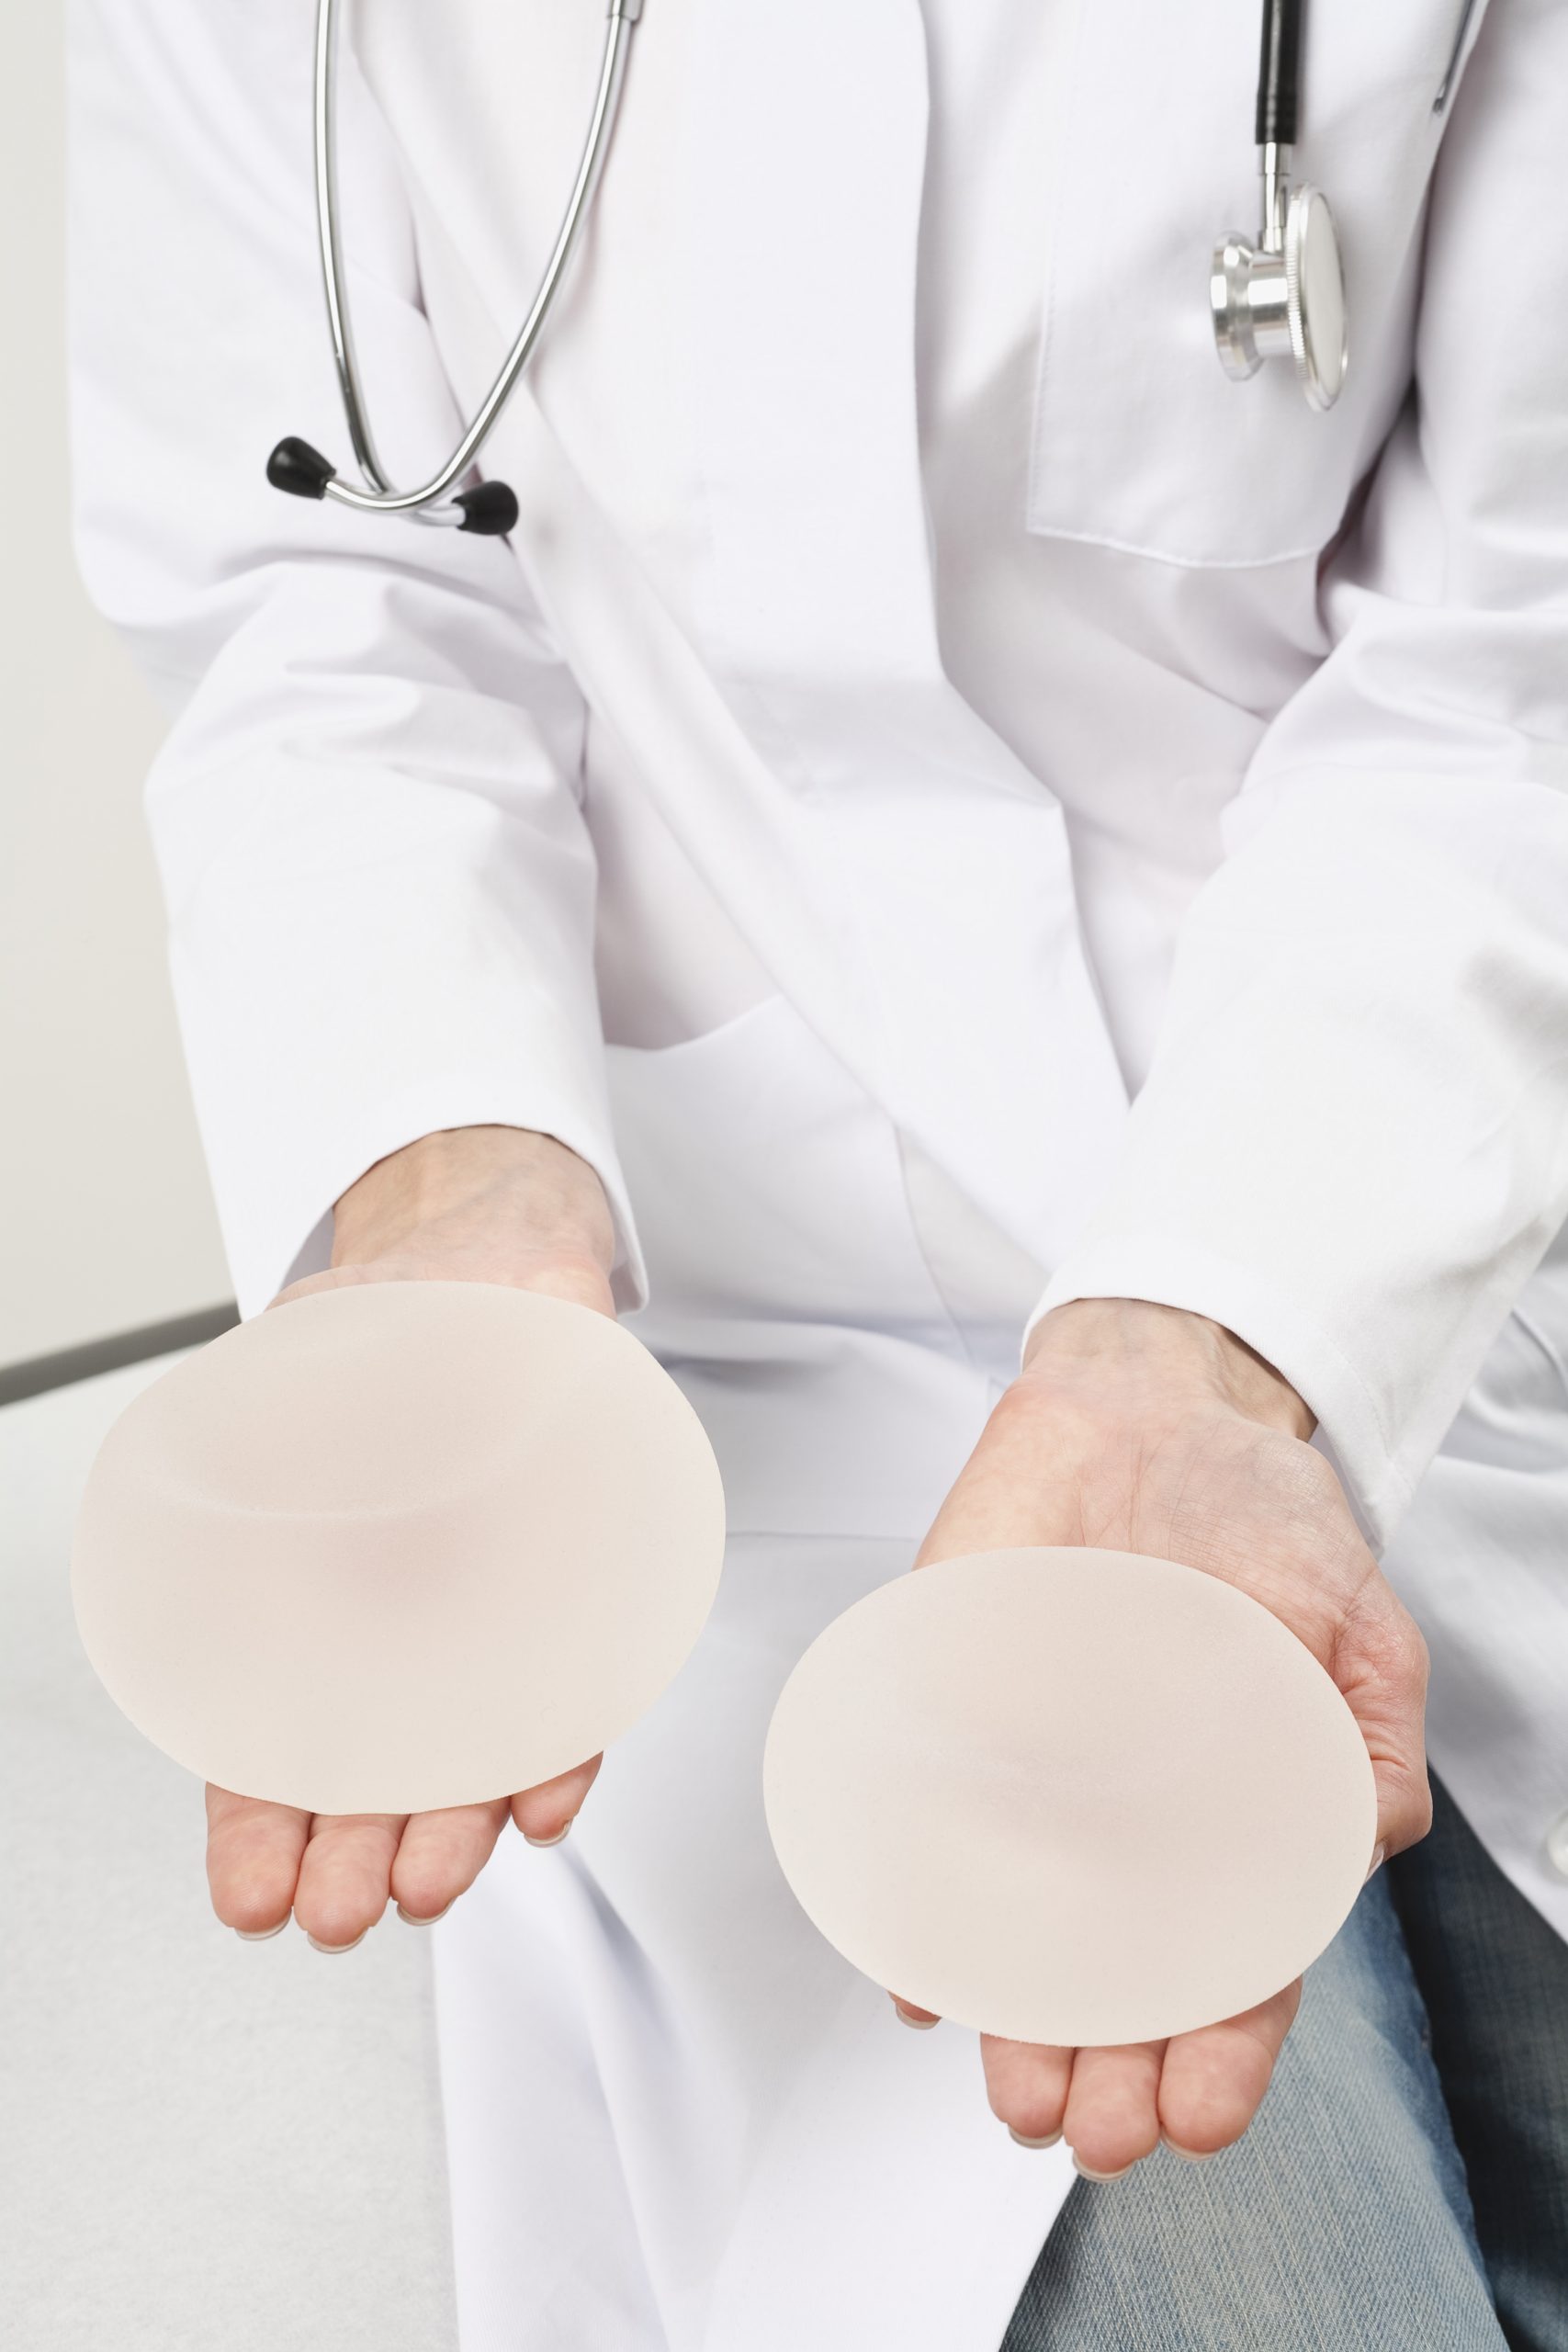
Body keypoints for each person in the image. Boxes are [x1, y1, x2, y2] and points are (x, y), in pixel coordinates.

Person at [67, 1, 1568, 2346]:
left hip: (1426, 1265)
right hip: (711, 1376)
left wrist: (1223, 1329)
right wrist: (443, 1166)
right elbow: (329, 579)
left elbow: (1514, 671)